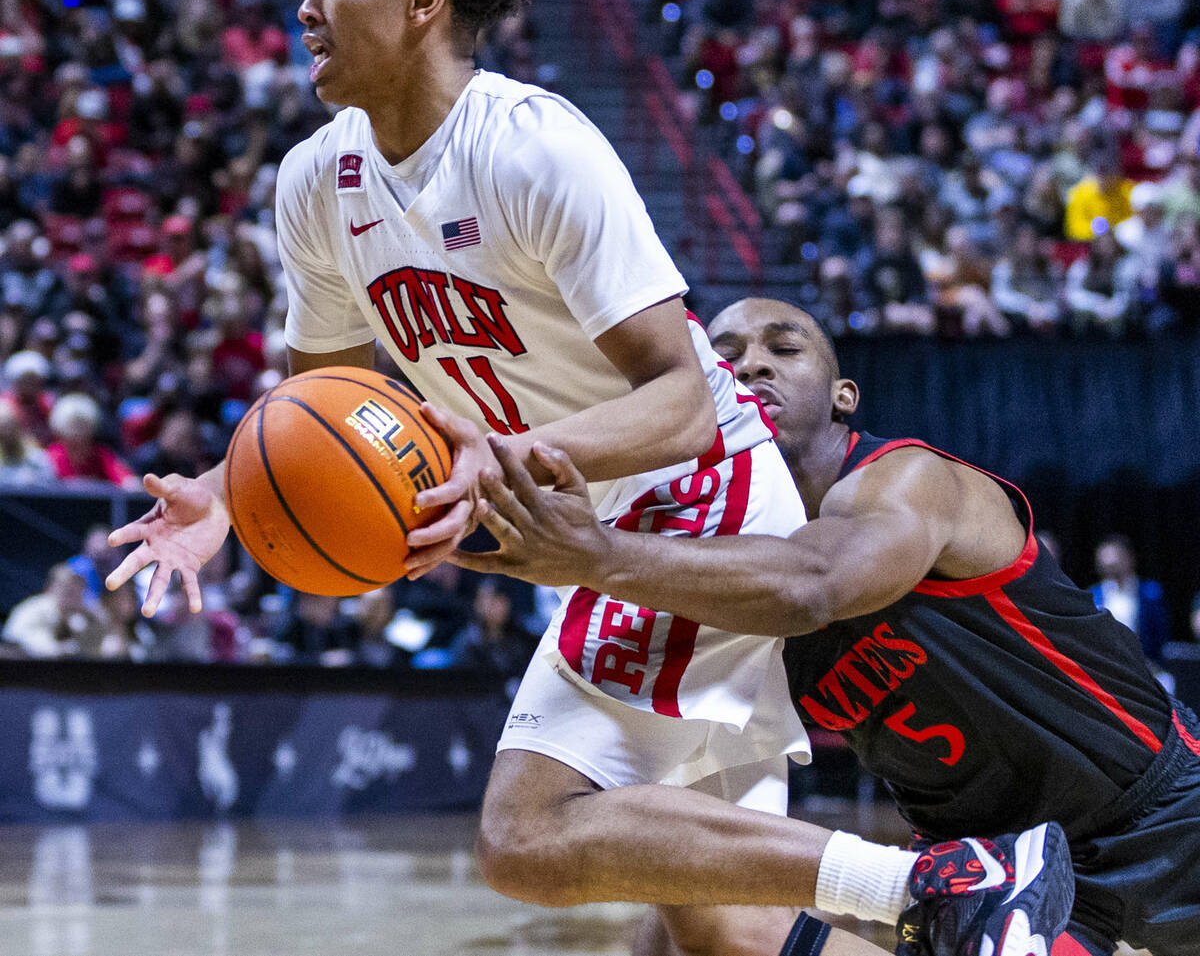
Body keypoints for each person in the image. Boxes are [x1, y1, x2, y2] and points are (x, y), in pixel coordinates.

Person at [104, 0, 1065, 956]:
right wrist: (230, 493)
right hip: (577, 516)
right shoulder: (316, 183)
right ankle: (999, 923)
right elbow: (323, 402)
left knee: (525, 834)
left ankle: (949, 878)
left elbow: (685, 401)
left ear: (424, 0)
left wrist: (501, 456)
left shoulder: (534, 148)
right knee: (726, 931)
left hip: (692, 494)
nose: (305, 7)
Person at [458, 297, 1200, 956]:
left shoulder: (907, 481)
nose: (750, 366)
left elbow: (814, 585)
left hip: (1160, 809)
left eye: (784, 348)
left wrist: (598, 553)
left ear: (844, 394)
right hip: (994, 875)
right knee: (712, 927)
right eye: (724, 357)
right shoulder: (709, 569)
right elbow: (708, 903)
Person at [1089, 534, 1171, 665]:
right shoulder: (1093, 595)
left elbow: (1161, 635)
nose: (1110, 565)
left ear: (1129, 559)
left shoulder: (1150, 593)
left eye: (1115, 562)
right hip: (1105, 665)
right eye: (1106, 564)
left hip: (1145, 666)